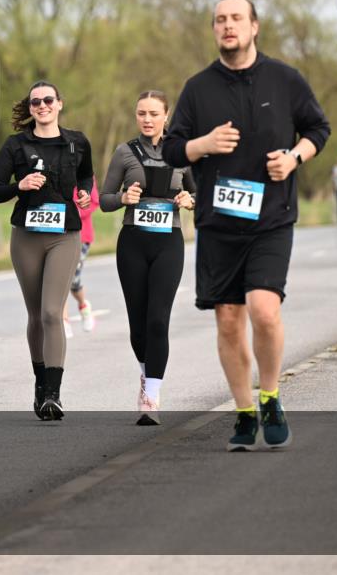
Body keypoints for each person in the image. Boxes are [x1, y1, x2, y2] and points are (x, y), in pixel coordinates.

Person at [162, 0, 331, 451]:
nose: (228, 25)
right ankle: (242, 411)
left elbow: (318, 129)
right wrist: (205, 144)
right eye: (220, 20)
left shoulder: (285, 79)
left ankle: (271, 395)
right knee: (229, 319)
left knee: (263, 309)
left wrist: (295, 158)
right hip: (218, 223)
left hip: (272, 218)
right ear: (214, 30)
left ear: (254, 26)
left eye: (237, 18)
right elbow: (173, 149)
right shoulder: (198, 88)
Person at [0, 80, 94, 421]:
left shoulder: (77, 142)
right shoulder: (16, 145)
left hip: (64, 235)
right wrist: (19, 185)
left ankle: (53, 394)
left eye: (48, 99)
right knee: (35, 315)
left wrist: (82, 194)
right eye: (35, 102)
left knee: (52, 312)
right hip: (27, 237)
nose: (42, 105)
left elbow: (87, 179)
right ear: (31, 107)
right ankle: (40, 382)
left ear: (60, 104)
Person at [101, 90, 196, 425]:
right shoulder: (125, 152)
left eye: (154, 113)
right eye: (141, 113)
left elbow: (198, 194)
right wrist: (124, 197)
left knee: (158, 320)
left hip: (169, 242)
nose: (147, 119)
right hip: (133, 243)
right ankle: (145, 372)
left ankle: (152, 396)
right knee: (138, 327)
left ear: (165, 116)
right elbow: (104, 199)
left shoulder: (182, 152)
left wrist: (189, 200)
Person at [62, 181, 98, 338]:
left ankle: (83, 306)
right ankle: (63, 321)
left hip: (81, 236)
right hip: (57, 235)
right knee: (59, 278)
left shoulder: (84, 174)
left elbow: (94, 202)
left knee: (73, 280)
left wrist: (68, 211)